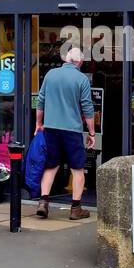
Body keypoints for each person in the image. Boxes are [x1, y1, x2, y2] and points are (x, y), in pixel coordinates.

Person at [34, 45, 96, 220]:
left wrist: (39, 123)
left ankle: (43, 203)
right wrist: (91, 133)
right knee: (77, 169)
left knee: (51, 165)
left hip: (51, 128)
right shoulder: (82, 79)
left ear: (65, 59)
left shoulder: (51, 75)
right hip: (72, 130)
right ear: (80, 62)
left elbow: (40, 101)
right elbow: (87, 108)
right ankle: (75, 209)